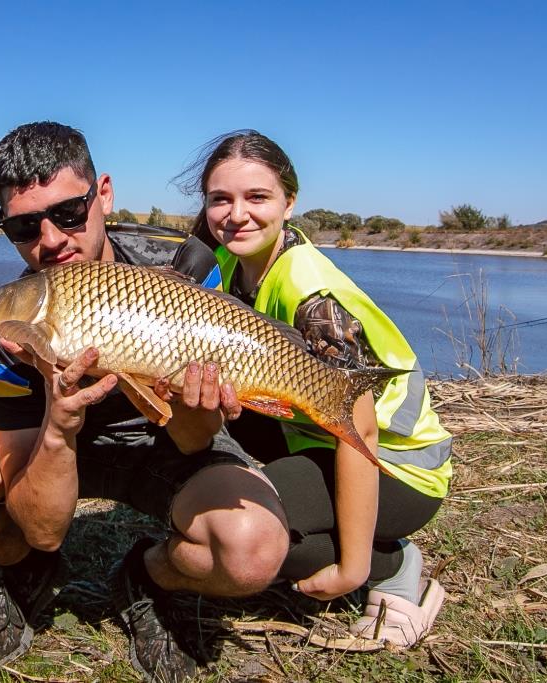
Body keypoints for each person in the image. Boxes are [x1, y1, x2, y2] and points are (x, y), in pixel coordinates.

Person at [0, 122, 289, 682]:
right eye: (24, 226)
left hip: (164, 441)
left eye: (69, 213)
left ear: (103, 194)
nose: (50, 240)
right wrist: (58, 425)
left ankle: (148, 577)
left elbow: (194, 438)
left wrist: (197, 406)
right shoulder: (12, 328)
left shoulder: (188, 269)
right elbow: (45, 523)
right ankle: (29, 571)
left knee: (253, 552)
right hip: (57, 454)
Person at [178, 130, 453, 647]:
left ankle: (389, 564)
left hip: (395, 463)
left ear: (289, 201)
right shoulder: (235, 259)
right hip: (315, 435)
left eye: (257, 197)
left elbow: (360, 425)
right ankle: (322, 513)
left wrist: (351, 569)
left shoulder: (312, 292)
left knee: (258, 535)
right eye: (221, 199)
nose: (237, 214)